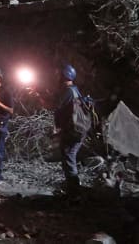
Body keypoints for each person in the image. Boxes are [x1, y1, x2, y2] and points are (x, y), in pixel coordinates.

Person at [53, 64, 85, 195]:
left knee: (69, 157)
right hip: (76, 130)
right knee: (67, 157)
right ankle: (72, 189)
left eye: (59, 75)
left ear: (64, 76)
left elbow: (56, 107)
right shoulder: (75, 90)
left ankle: (75, 192)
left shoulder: (68, 91)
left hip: (73, 131)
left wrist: (38, 96)